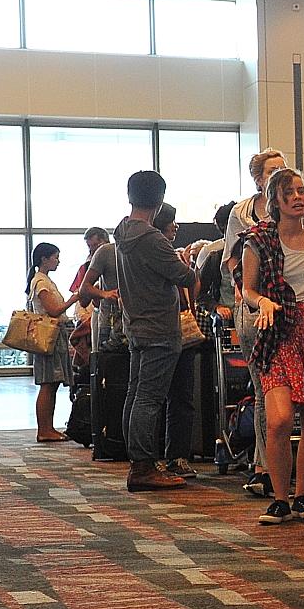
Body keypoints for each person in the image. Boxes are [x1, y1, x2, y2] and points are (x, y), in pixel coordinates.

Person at [242, 168, 304, 525]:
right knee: (280, 417)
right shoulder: (258, 240)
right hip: (278, 329)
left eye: (302, 190)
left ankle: (301, 497)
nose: (299, 197)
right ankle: (278, 496)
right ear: (276, 200)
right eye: (290, 193)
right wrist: (263, 303)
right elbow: (248, 290)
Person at [114, 170, 197, 492]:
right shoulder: (151, 239)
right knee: (149, 399)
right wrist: (188, 262)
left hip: (136, 325)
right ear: (160, 200)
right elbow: (185, 277)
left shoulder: (122, 231)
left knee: (136, 396)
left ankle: (138, 462)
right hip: (159, 329)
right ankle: (143, 467)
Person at [226, 149, 286, 497]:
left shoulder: (298, 212)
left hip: (289, 309)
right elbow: (232, 258)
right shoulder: (242, 214)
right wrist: (246, 289)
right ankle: (265, 466)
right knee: (264, 389)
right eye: (272, 171)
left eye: (283, 169)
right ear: (258, 179)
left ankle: (286, 468)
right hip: (253, 309)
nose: (280, 175)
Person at [150, 204, 201, 480]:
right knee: (162, 397)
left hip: (175, 333)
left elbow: (190, 287)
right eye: (172, 222)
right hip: (163, 333)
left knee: (178, 396)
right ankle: (160, 457)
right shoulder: (162, 254)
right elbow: (189, 282)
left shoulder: (170, 254)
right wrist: (186, 268)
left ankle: (171, 456)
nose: (176, 227)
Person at [26, 242, 78, 443]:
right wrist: (73, 299)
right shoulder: (41, 282)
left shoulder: (44, 280)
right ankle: (44, 429)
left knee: (52, 383)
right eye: (55, 257)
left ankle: (48, 427)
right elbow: (53, 309)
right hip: (49, 336)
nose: (58, 261)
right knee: (48, 383)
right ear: (44, 259)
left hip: (55, 336)